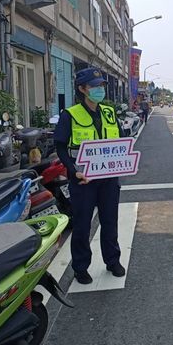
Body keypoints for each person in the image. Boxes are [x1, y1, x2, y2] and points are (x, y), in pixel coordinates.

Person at [53, 67, 126, 285]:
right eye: (95, 86)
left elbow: (122, 142)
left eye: (102, 86)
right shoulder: (70, 115)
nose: (100, 89)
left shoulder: (109, 113)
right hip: (83, 180)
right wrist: (74, 170)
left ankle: (113, 261)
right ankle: (81, 267)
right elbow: (61, 147)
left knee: (110, 222)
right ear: (82, 89)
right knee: (83, 225)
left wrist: (125, 164)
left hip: (109, 179)